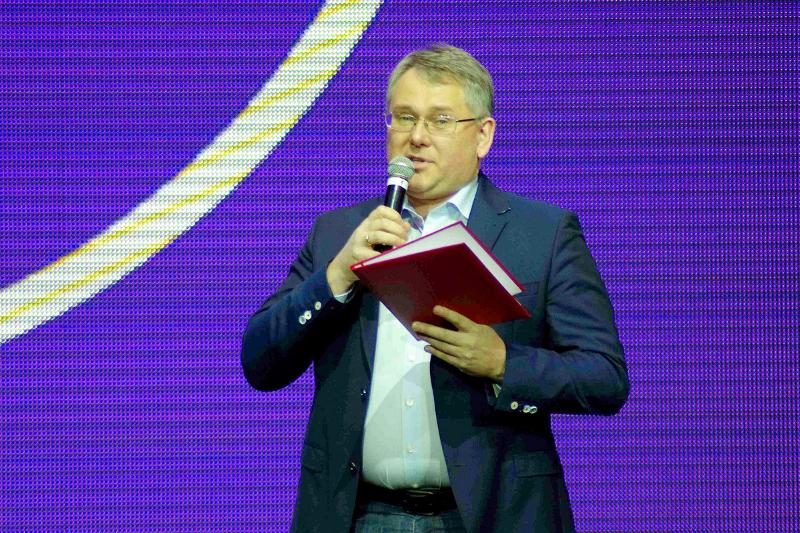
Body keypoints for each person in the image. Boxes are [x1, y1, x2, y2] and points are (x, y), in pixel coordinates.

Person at [241, 44, 629, 533]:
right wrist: (337, 275)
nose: (417, 137)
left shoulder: (543, 234)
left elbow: (603, 377)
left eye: (440, 120)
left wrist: (504, 364)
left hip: (491, 516)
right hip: (359, 517)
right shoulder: (339, 233)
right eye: (404, 117)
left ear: (483, 135)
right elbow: (260, 363)